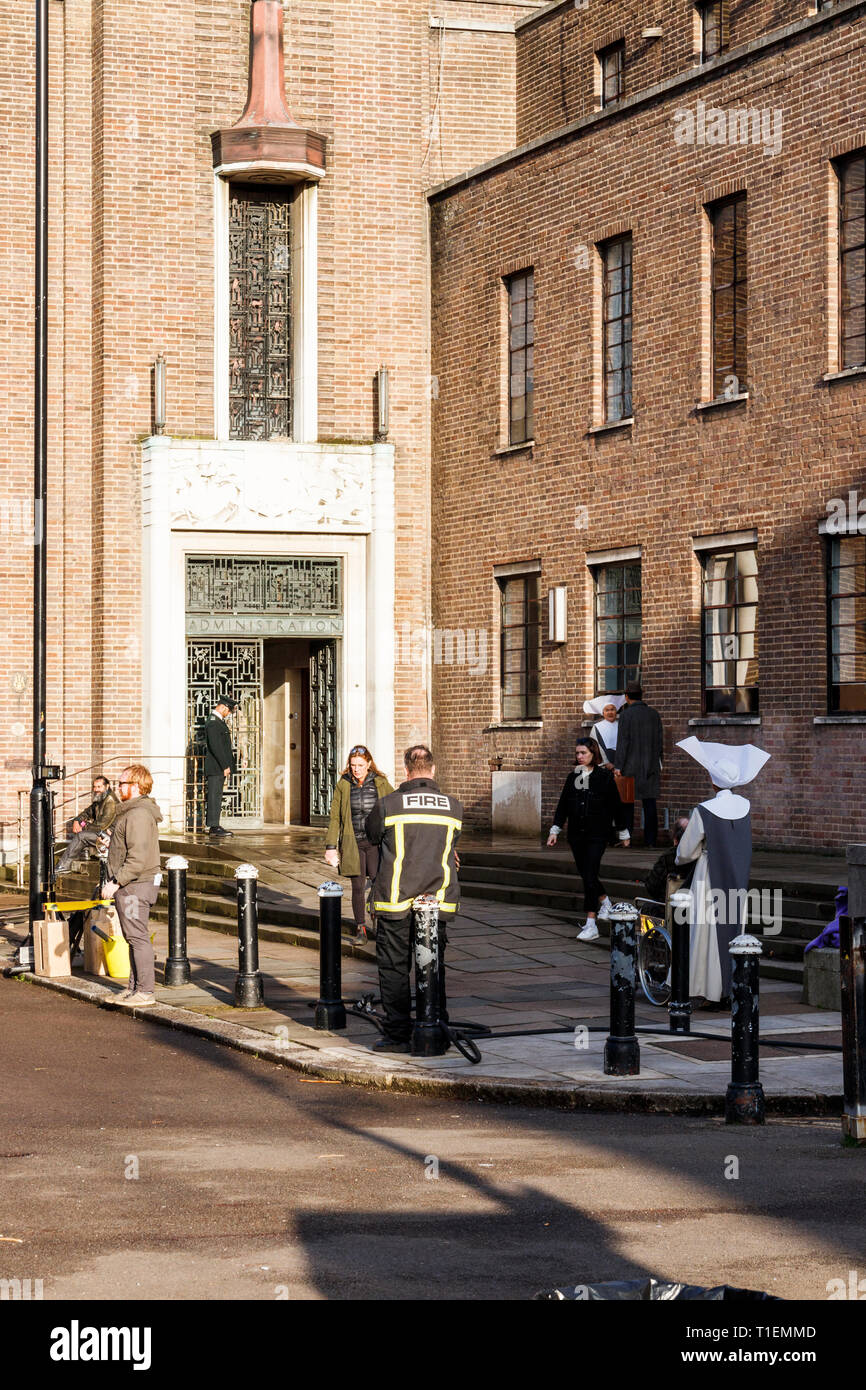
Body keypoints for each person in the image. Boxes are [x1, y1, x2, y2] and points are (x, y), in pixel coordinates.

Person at [364, 744, 462, 1053]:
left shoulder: (389, 804)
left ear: (406, 772)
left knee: (394, 969)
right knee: (433, 966)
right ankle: (434, 1027)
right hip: (438, 901)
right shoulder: (453, 807)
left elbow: (371, 835)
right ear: (433, 770)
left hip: (396, 900)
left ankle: (397, 1034)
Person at [675, 737, 771, 1008]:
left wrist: (682, 856)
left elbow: (686, 851)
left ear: (713, 781)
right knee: (733, 930)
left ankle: (707, 989)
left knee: (704, 933)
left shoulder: (704, 810)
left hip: (708, 875)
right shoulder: (745, 808)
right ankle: (730, 988)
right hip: (736, 877)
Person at [101, 764, 164, 1008]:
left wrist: (115, 883)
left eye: (122, 783)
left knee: (137, 938)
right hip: (131, 885)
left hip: (134, 886)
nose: (117, 787)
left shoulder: (138, 814)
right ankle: (133, 989)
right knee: (132, 937)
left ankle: (145, 992)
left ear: (136, 786)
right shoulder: (132, 812)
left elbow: (137, 858)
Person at [547, 738, 621, 942]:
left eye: (583, 753)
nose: (579, 757)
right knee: (586, 873)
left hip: (597, 834)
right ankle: (605, 901)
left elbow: (616, 805)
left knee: (589, 874)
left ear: (593, 754)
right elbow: (563, 805)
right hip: (576, 835)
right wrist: (555, 830)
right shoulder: (574, 777)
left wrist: (623, 832)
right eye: (577, 753)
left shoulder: (605, 777)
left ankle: (591, 923)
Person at [324, 745, 393, 943]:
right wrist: (330, 847)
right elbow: (335, 817)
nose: (356, 769)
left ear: (369, 764)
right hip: (353, 843)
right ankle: (360, 928)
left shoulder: (380, 783)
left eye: (360, 765)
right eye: (353, 765)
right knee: (357, 886)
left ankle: (379, 924)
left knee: (380, 884)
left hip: (376, 843)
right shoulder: (343, 784)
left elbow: (394, 807)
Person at [613, 680, 664, 848]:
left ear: (627, 697)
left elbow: (623, 743)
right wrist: (659, 763)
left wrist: (618, 766)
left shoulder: (626, 715)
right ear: (641, 696)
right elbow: (659, 742)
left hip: (630, 766)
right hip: (650, 766)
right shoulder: (654, 714)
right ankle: (651, 841)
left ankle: (627, 839)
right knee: (650, 805)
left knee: (627, 804)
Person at [584, 693, 631, 846]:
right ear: (602, 713)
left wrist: (619, 764)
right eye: (607, 710)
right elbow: (595, 748)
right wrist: (606, 763)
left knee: (623, 802)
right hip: (605, 769)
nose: (610, 712)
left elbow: (626, 746)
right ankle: (608, 836)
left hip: (621, 768)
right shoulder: (597, 727)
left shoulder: (622, 725)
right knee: (606, 803)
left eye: (612, 709)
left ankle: (624, 835)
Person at [54, 776, 118, 876]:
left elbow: (101, 825)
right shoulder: (100, 800)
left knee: (82, 836)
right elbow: (86, 813)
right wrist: (77, 821)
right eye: (94, 787)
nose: (96, 789)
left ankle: (64, 866)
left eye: (99, 787)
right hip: (102, 833)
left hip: (110, 836)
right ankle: (85, 853)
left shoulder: (110, 802)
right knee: (83, 831)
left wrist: (83, 826)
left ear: (107, 786)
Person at [203, 697, 237, 837]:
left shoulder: (217, 722)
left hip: (219, 766)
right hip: (216, 766)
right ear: (223, 707)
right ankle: (213, 826)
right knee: (214, 796)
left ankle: (215, 825)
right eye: (228, 711)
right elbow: (216, 746)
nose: (228, 714)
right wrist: (225, 765)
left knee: (217, 795)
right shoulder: (213, 723)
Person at [640, 816, 692, 904]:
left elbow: (651, 886)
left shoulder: (668, 857)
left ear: (675, 839)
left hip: (667, 907)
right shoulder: (702, 857)